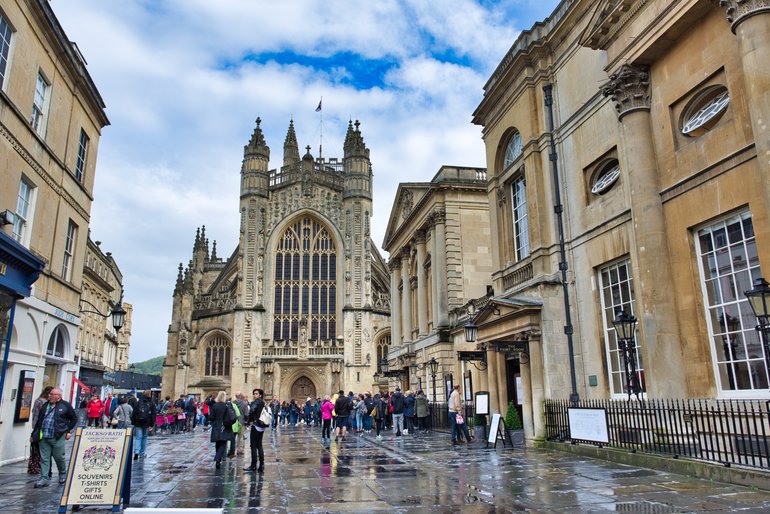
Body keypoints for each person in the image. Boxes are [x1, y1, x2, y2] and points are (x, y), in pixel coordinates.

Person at [31, 388, 77, 488]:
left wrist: (68, 430)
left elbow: (74, 418)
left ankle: (62, 473)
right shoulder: (45, 405)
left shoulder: (65, 406)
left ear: (58, 396)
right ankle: (44, 478)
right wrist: (33, 434)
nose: (49, 396)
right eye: (50, 394)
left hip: (58, 436)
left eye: (52, 394)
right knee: (44, 458)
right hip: (44, 436)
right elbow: (39, 420)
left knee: (59, 457)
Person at [27, 386, 53, 475]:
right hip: (40, 429)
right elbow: (36, 416)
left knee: (43, 450)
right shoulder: (40, 401)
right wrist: (36, 429)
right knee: (39, 449)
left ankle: (43, 469)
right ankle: (37, 468)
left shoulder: (49, 402)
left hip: (47, 429)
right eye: (51, 394)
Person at [243, 388, 267, 472]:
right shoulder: (263, 402)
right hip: (262, 426)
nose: (254, 395)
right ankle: (261, 464)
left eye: (256, 393)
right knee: (259, 445)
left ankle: (253, 465)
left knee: (253, 446)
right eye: (254, 393)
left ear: (260, 395)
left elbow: (252, 411)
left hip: (256, 425)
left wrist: (248, 421)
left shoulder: (256, 402)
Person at [209, 390, 234, 469]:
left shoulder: (215, 406)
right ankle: (217, 458)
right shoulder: (226, 405)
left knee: (218, 443)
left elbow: (211, 417)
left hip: (216, 426)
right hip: (224, 426)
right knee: (223, 443)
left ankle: (218, 460)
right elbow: (231, 417)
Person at [131, 390, 157, 460]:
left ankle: (136, 452)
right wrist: (152, 424)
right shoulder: (151, 403)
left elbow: (134, 412)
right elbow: (153, 414)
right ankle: (142, 453)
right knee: (144, 437)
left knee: (138, 437)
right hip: (147, 422)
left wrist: (133, 422)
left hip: (138, 422)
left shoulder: (138, 402)